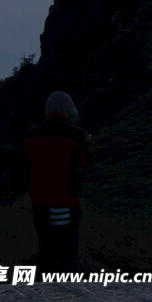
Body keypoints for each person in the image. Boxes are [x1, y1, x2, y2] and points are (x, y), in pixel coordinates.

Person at [24, 92, 92, 272]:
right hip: (65, 199)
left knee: (45, 241)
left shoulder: (31, 134)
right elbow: (88, 162)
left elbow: (26, 162)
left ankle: (44, 274)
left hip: (39, 198)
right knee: (67, 243)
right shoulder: (75, 135)